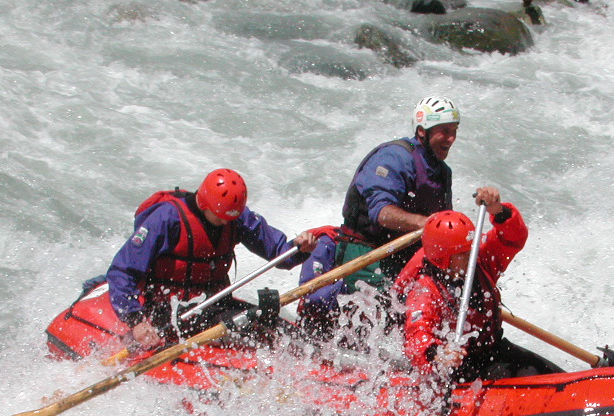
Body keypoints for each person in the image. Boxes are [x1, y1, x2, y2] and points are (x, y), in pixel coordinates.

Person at [296, 96, 459, 339]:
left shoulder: (442, 172)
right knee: (392, 309)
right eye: (444, 131)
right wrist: (424, 224)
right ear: (423, 131)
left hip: (404, 258)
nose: (451, 139)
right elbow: (381, 213)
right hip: (364, 253)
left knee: (446, 301)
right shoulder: (394, 158)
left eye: (454, 132)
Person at [106, 168, 316, 349]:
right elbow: (122, 271)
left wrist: (299, 248)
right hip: (168, 311)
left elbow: (280, 254)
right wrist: (136, 320)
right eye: (221, 217)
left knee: (276, 326)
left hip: (212, 305)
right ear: (205, 203)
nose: (226, 223)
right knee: (254, 332)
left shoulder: (234, 216)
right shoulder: (166, 219)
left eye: (230, 217)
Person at [394, 187, 563, 384]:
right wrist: (439, 354)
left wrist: (499, 211)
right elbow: (417, 335)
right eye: (462, 254)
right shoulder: (425, 290)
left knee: (554, 375)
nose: (471, 257)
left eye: (470, 249)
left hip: (494, 351)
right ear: (443, 258)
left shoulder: (480, 261)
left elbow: (513, 238)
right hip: (459, 369)